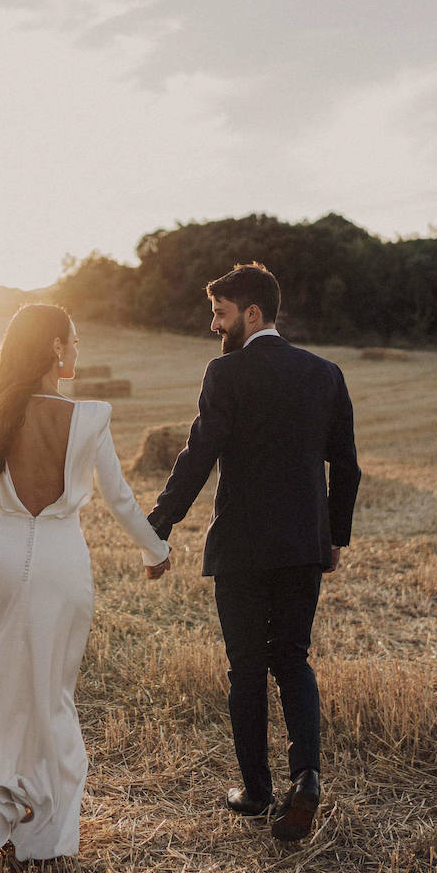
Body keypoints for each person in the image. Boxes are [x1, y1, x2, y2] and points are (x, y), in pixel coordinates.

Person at [146, 262, 360, 842]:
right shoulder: (325, 374)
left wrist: (159, 522)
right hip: (301, 546)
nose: (216, 326)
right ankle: (308, 777)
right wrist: (333, 538)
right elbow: (346, 465)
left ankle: (258, 789)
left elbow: (198, 457)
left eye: (221, 315)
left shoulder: (226, 373)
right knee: (291, 658)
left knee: (246, 669)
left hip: (241, 547)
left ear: (253, 314)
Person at [0, 303, 171, 861]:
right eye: (73, 340)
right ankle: (43, 831)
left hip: (3, 553)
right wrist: (155, 549)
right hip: (61, 561)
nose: (77, 350)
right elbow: (120, 499)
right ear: (54, 347)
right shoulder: (90, 417)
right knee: (52, 694)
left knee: (0, 686)